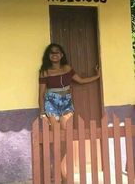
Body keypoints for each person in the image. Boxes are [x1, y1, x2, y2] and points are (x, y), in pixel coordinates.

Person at [38, 43, 100, 181]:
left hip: (66, 103)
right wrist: (42, 113)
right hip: (51, 103)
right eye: (52, 52)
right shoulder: (45, 71)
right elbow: (41, 94)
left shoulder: (67, 68)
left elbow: (81, 80)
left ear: (61, 55)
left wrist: (97, 76)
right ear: (48, 56)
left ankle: (62, 172)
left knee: (66, 138)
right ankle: (63, 177)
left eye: (57, 52)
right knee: (56, 138)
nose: (55, 54)